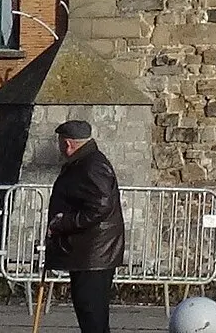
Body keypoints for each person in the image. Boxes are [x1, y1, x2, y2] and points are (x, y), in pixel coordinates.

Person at [45, 119, 125, 333]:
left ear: (68, 143)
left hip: (94, 253)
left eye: (60, 142)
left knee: (92, 316)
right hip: (88, 252)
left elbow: (100, 206)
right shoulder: (84, 163)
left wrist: (64, 222)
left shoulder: (92, 165)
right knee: (89, 315)